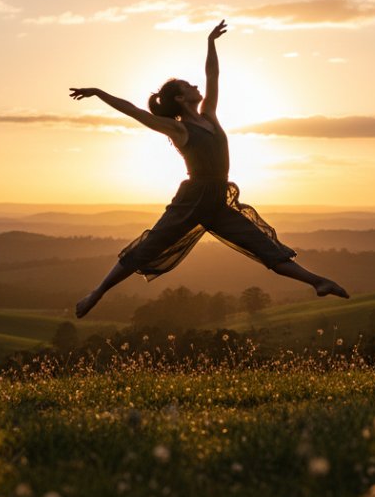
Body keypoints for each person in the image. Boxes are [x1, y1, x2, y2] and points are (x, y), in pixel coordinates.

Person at [69, 19, 349, 318]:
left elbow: (213, 75)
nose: (196, 86)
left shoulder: (210, 115)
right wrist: (98, 92)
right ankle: (96, 293)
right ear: (179, 98)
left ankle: (317, 281)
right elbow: (135, 111)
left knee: (264, 247)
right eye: (188, 86)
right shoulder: (178, 130)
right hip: (193, 198)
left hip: (216, 197)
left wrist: (210, 43)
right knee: (149, 247)